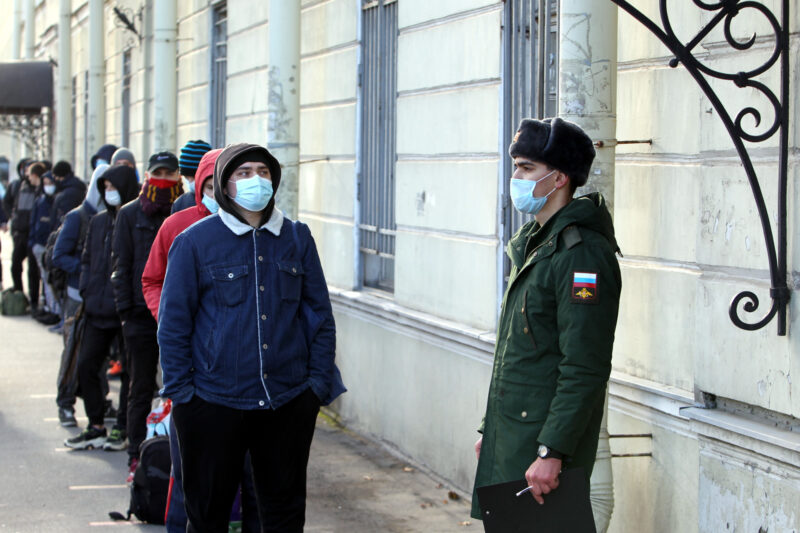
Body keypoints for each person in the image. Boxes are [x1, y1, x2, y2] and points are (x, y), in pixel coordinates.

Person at [158, 143, 346, 532]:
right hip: (212, 402)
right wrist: (185, 397)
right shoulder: (194, 242)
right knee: (208, 514)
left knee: (283, 515)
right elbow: (173, 325)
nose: (255, 180)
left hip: (287, 400)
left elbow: (320, 318)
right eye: (243, 173)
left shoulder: (296, 237)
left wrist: (315, 386)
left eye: (262, 171)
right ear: (224, 185)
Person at [471, 118, 622, 520]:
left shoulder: (581, 256)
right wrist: (492, 428)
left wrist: (552, 451)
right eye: (516, 166)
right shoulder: (536, 246)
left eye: (526, 168)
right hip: (516, 435)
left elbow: (584, 366)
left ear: (559, 180)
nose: (515, 177)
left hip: (544, 449)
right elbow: (518, 351)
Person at [112, 151, 183, 479]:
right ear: (148, 174)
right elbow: (121, 265)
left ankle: (176, 455)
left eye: (170, 173)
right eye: (159, 172)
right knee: (139, 385)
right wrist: (125, 312)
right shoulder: (129, 214)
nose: (164, 178)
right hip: (140, 316)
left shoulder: (184, 210)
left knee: (179, 385)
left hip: (179, 313)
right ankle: (135, 455)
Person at [64, 165, 139, 450]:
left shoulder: (134, 219)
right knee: (86, 366)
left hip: (124, 311)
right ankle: (95, 424)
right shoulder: (96, 222)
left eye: (112, 187)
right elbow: (86, 258)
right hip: (96, 309)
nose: (109, 192)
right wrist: (86, 288)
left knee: (129, 373)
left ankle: (122, 427)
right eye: (105, 188)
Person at [53, 163, 108, 427]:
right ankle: (65, 404)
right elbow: (59, 255)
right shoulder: (78, 216)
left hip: (101, 299)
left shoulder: (113, 216)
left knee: (97, 357)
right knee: (73, 354)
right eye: (106, 185)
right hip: (77, 298)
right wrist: (88, 272)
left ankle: (100, 402)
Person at [6, 160, 43, 313]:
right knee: (15, 265)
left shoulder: (41, 190)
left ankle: (34, 301)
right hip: (20, 233)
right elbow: (7, 202)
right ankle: (20, 294)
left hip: (33, 234)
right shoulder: (18, 186)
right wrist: (12, 217)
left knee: (33, 271)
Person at [28, 171, 61, 323]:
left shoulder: (57, 200)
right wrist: (32, 242)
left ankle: (53, 310)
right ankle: (49, 307)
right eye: (45, 184)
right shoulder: (40, 201)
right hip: (39, 245)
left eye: (50, 183)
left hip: (50, 246)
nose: (48, 187)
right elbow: (33, 222)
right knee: (44, 278)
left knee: (49, 280)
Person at [172, 139, 212, 214]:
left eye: (194, 176)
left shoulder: (219, 202)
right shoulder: (180, 204)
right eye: (186, 177)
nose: (190, 182)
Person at [51, 161, 87, 228]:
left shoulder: (67, 194)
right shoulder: (73, 187)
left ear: (60, 176)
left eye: (55, 176)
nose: (55, 179)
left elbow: (64, 217)